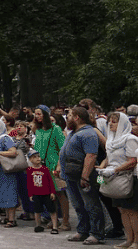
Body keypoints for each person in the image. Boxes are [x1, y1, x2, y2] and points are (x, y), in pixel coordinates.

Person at [61, 105, 106, 245]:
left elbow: (91, 155)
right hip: (70, 175)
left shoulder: (88, 133)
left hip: (83, 175)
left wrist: (85, 176)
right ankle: (83, 230)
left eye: (69, 116)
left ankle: (96, 233)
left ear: (77, 118)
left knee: (91, 204)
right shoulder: (73, 133)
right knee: (78, 205)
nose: (67, 119)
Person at [99, 112, 138, 249]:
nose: (110, 124)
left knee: (131, 211)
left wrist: (115, 170)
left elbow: (133, 160)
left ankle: (136, 241)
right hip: (114, 179)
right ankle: (128, 239)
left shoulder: (130, 139)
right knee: (122, 211)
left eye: (114, 121)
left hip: (127, 178)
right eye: (109, 121)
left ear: (122, 123)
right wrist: (102, 168)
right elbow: (108, 157)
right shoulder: (111, 140)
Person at [34, 104, 71, 231]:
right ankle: (54, 219)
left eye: (39, 113)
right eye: (36, 114)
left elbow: (62, 149)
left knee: (60, 193)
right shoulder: (38, 130)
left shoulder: (56, 129)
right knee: (49, 194)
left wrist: (59, 165)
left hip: (54, 164)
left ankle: (66, 221)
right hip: (42, 165)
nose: (37, 116)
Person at [27, 149, 62, 234]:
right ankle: (38, 225)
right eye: (34, 157)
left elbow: (50, 181)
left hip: (46, 193)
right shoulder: (29, 170)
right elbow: (29, 183)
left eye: (38, 156)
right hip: (36, 193)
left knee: (52, 210)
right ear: (30, 160)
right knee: (37, 210)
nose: (37, 158)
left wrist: (52, 192)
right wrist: (30, 194)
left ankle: (54, 226)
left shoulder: (45, 169)